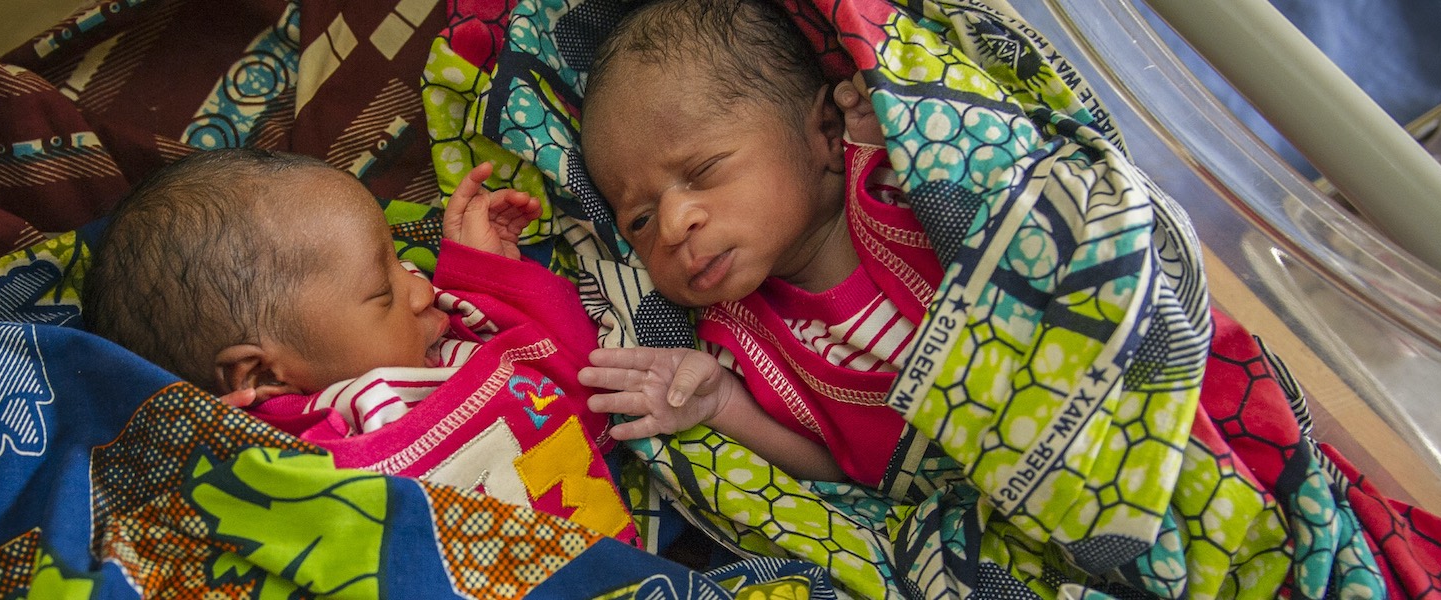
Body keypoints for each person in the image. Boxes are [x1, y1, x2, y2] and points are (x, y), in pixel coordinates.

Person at [85, 148, 635, 541]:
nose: (422, 286)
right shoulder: (286, 462)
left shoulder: (450, 344)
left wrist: (486, 275)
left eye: (402, 261)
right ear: (260, 377)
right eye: (382, 291)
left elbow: (581, 382)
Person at [577, 0, 932, 486]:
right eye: (640, 220)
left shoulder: (900, 182)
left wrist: (897, 123)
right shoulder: (735, 342)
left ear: (826, 132)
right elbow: (848, 475)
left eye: (703, 171)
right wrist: (723, 403)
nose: (672, 225)